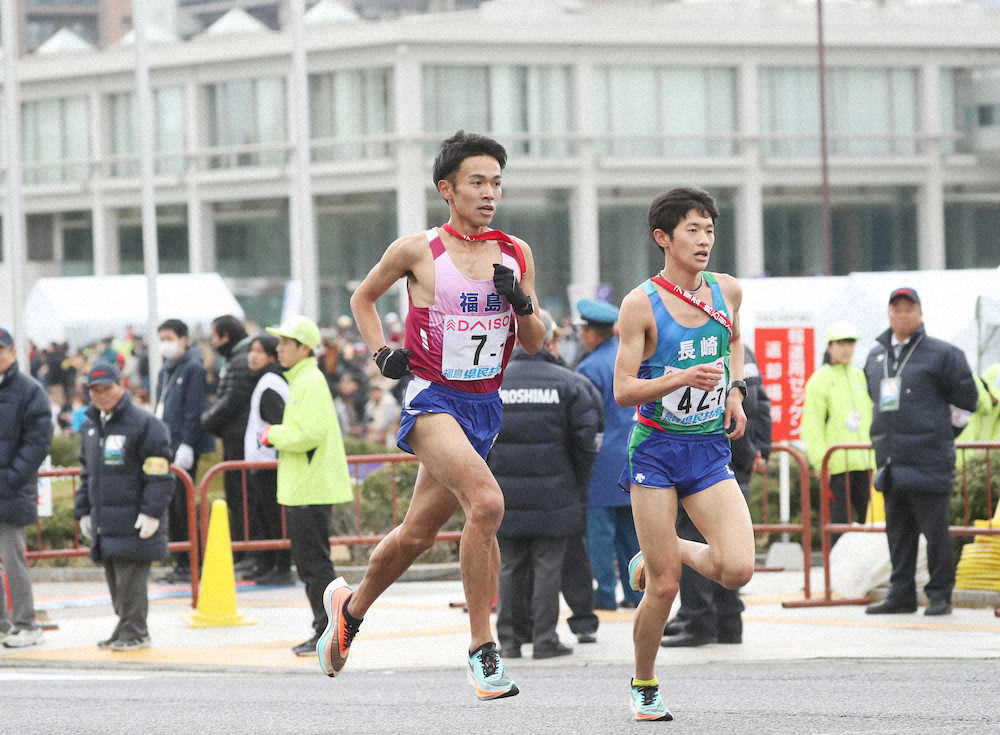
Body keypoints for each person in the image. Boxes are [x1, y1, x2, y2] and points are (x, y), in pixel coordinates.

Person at [324, 130, 545, 700]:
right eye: (477, 182)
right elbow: (362, 299)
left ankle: (351, 608)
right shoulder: (417, 250)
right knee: (488, 503)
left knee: (417, 533)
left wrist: (519, 300)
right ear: (447, 189)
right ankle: (482, 649)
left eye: (497, 182)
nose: (489, 193)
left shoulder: (515, 253)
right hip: (431, 398)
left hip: (483, 406)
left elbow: (537, 342)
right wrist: (380, 353)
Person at [615, 187, 755, 721]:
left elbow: (734, 339)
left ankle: (661, 548)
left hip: (707, 448)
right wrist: (678, 378)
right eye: (692, 230)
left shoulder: (728, 291)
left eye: (710, 230)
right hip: (655, 450)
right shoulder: (639, 304)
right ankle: (644, 683)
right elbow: (623, 389)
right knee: (665, 586)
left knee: (738, 569)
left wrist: (736, 390)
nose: (704, 240)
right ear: (663, 238)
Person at [489, 310, 602, 660]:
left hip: (504, 493)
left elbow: (476, 440)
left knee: (509, 565)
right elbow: (587, 442)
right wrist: (576, 480)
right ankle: (544, 639)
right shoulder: (570, 384)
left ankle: (508, 639)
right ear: (551, 339)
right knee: (548, 565)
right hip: (556, 492)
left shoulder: (493, 382)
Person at [863, 287, 978, 617]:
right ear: (889, 313)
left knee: (935, 532)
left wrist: (941, 433)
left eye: (908, 308)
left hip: (928, 459)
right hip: (891, 459)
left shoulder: (943, 354)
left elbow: (967, 403)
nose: (901, 314)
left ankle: (940, 594)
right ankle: (901, 595)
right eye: (895, 308)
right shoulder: (875, 356)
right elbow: (876, 399)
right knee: (898, 534)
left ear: (920, 313)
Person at [661, 344, 771, 647]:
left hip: (707, 461)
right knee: (729, 542)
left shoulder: (697, 347)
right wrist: (759, 450)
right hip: (734, 458)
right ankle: (727, 622)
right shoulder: (741, 351)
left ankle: (700, 621)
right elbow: (761, 405)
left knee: (695, 537)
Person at [258, 316, 352, 655]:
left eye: (286, 343)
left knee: (314, 563)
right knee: (311, 562)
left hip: (310, 488)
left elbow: (307, 434)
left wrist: (272, 434)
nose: (279, 349)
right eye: (279, 343)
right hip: (304, 487)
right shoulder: (303, 379)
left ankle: (330, 630)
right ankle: (328, 628)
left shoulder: (309, 381)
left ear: (303, 348)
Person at [74, 361, 174, 651]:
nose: (101, 395)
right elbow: (86, 473)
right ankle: (124, 627)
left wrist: (152, 512)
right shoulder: (92, 425)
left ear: (121, 386)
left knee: (131, 580)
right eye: (94, 390)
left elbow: (159, 473)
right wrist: (83, 510)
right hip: (107, 520)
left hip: (135, 518)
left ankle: (135, 631)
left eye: (107, 388)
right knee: (116, 582)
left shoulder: (144, 424)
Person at [575, 299, 643, 610]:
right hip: (636, 456)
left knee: (600, 534)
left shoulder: (589, 368)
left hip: (601, 462)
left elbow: (582, 419)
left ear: (592, 333)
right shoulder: (633, 359)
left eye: (582, 330)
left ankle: (604, 594)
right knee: (632, 531)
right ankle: (636, 593)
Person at [0, 327, 53, 649]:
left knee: (13, 559)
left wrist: (12, 477)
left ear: (13, 353)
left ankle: (26, 623)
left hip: (11, 490)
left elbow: (38, 442)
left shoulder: (29, 390)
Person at [153, 318, 213, 583]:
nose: (165, 343)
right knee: (172, 507)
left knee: (182, 506)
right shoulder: (166, 370)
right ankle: (181, 562)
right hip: (166, 445)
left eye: (169, 337)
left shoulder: (192, 368)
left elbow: (193, 411)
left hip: (183, 447)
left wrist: (188, 443)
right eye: (162, 338)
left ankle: (192, 563)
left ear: (183, 339)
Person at [802, 320, 876, 534]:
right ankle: (833, 566)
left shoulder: (860, 376)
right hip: (837, 465)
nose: (846, 349)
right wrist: (821, 462)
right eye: (841, 343)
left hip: (866, 461)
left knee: (870, 521)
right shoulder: (819, 380)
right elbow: (812, 426)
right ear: (829, 346)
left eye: (850, 343)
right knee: (838, 522)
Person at [201, 314, 257, 571]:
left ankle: (248, 554)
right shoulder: (235, 359)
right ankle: (245, 553)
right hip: (237, 439)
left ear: (225, 336)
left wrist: (206, 421)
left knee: (243, 498)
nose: (212, 341)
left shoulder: (239, 361)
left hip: (241, 441)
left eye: (214, 335)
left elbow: (231, 400)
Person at [243, 333, 293, 586]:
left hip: (270, 463)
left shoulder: (270, 383)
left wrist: (268, 445)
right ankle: (269, 564)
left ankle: (280, 566)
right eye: (251, 350)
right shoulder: (266, 380)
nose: (253, 355)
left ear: (272, 356)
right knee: (265, 516)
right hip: (262, 462)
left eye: (260, 351)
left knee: (274, 517)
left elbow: (279, 423)